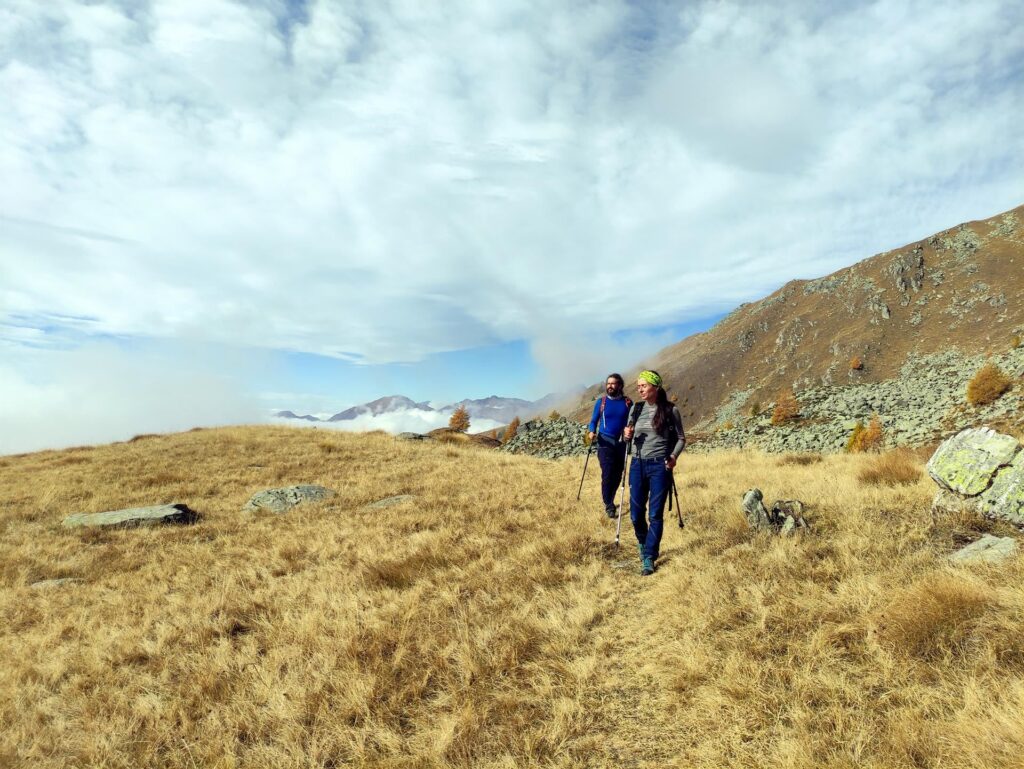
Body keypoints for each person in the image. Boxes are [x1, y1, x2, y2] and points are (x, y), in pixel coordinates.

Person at [622, 370, 685, 576]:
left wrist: (673, 457)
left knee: (655, 514)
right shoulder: (636, 409)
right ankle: (643, 542)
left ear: (655, 387)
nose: (639, 388)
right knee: (635, 514)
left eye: (644, 385)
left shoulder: (669, 410)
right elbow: (626, 438)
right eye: (639, 385)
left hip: (660, 466)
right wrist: (627, 435)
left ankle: (649, 556)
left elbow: (681, 438)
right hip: (638, 464)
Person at [587, 373, 632, 518]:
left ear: (620, 385)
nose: (610, 386)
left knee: (618, 475)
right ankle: (608, 504)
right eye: (608, 383)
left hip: (621, 443)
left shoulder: (628, 402)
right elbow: (594, 420)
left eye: (613, 383)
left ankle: (610, 498)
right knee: (607, 473)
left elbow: (632, 422)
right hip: (604, 442)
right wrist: (592, 431)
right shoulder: (601, 402)